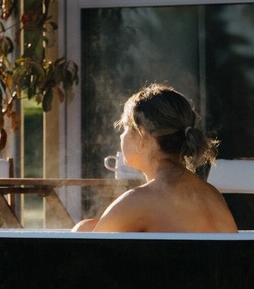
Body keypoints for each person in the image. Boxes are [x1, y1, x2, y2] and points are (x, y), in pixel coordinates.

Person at [74, 83, 237, 233]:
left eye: (125, 127)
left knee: (82, 229)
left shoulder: (140, 201)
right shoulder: (212, 194)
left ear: (142, 135)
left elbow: (88, 256)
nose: (121, 136)